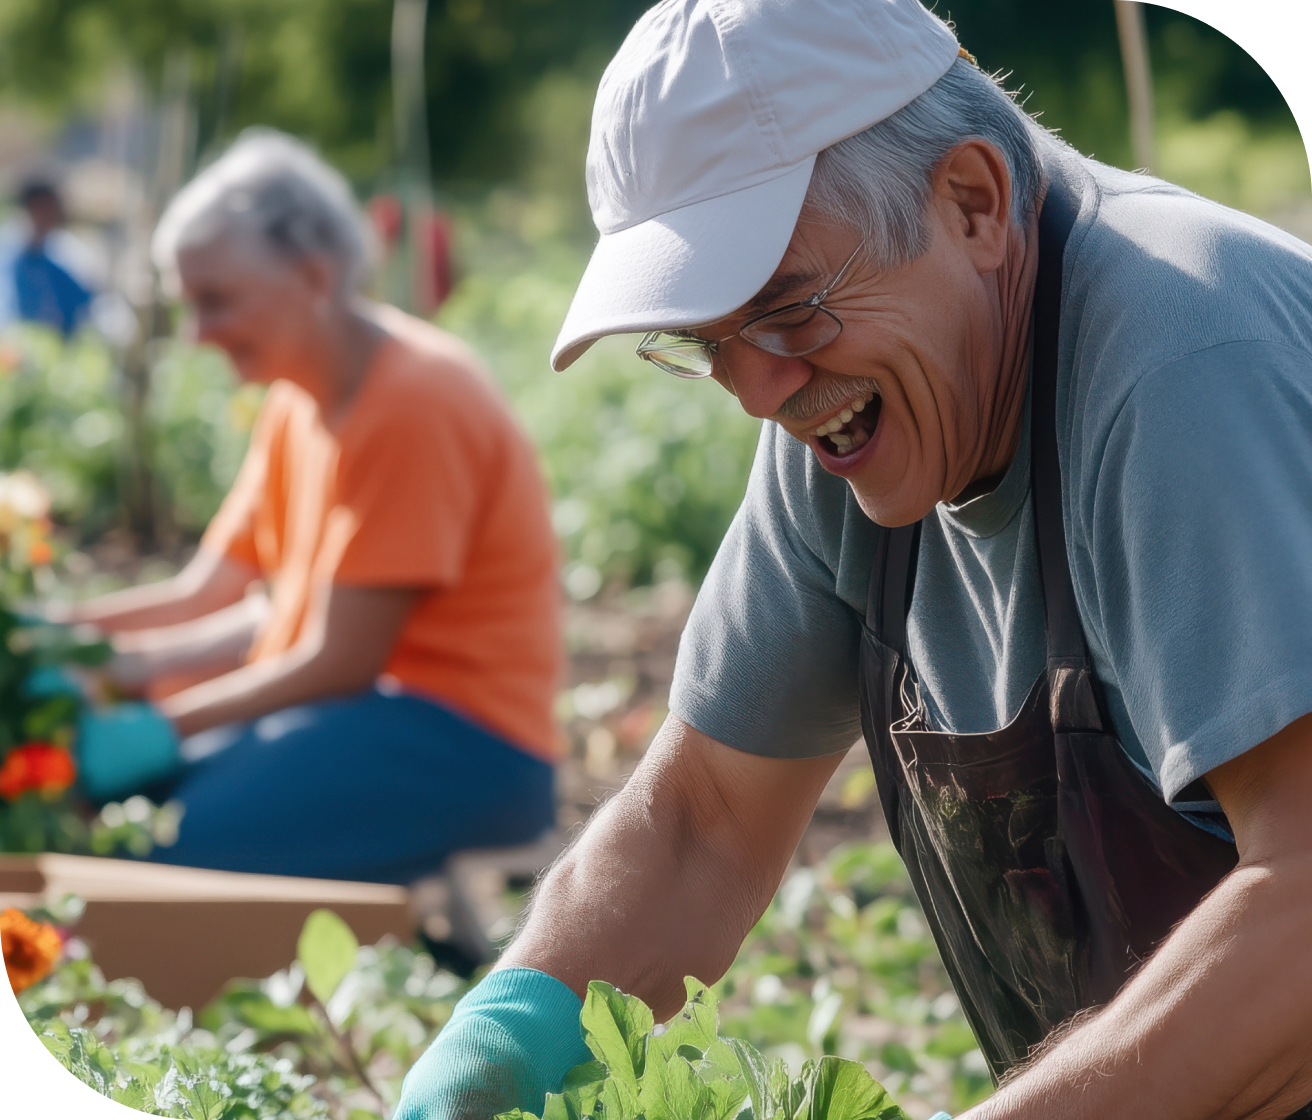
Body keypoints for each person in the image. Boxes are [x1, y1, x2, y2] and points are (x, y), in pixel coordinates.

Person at [395, 0, 1312, 1118]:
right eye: (708, 342)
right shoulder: (856, 413)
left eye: (787, 308)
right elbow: (703, 819)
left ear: (972, 202)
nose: (756, 391)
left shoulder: (1181, 358)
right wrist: (505, 1036)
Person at [62, 131, 563, 885]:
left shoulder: (414, 399)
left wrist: (155, 725)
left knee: (149, 857)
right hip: (351, 719)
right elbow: (211, 593)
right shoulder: (298, 397)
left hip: (461, 748)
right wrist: (62, 640)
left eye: (216, 300)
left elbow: (340, 659)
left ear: (313, 274)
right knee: (116, 816)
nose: (197, 334)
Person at [2, 178, 95, 336]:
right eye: (41, 209)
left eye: (51, 210)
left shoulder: (64, 254)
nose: (47, 216)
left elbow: (84, 301)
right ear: (28, 210)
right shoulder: (8, 255)